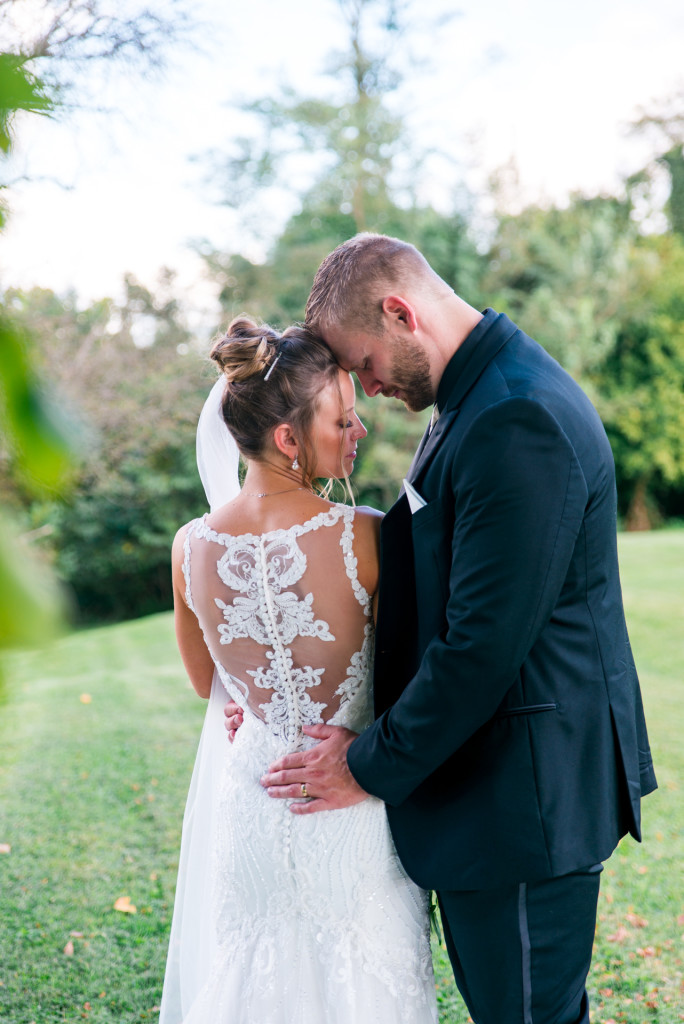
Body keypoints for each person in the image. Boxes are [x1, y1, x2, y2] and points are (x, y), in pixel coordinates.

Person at [231, 234, 657, 1024]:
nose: (369, 386)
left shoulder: (515, 415)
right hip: (493, 792)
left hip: (524, 800)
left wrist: (367, 762)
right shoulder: (477, 397)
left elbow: (483, 645)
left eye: (363, 364)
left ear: (400, 312)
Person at [159, 316, 438, 1024]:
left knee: (253, 984)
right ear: (288, 439)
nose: (358, 431)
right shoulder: (367, 534)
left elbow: (206, 684)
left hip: (252, 801)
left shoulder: (190, 547)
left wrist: (254, 694)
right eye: (343, 418)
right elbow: (410, 667)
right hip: (349, 806)